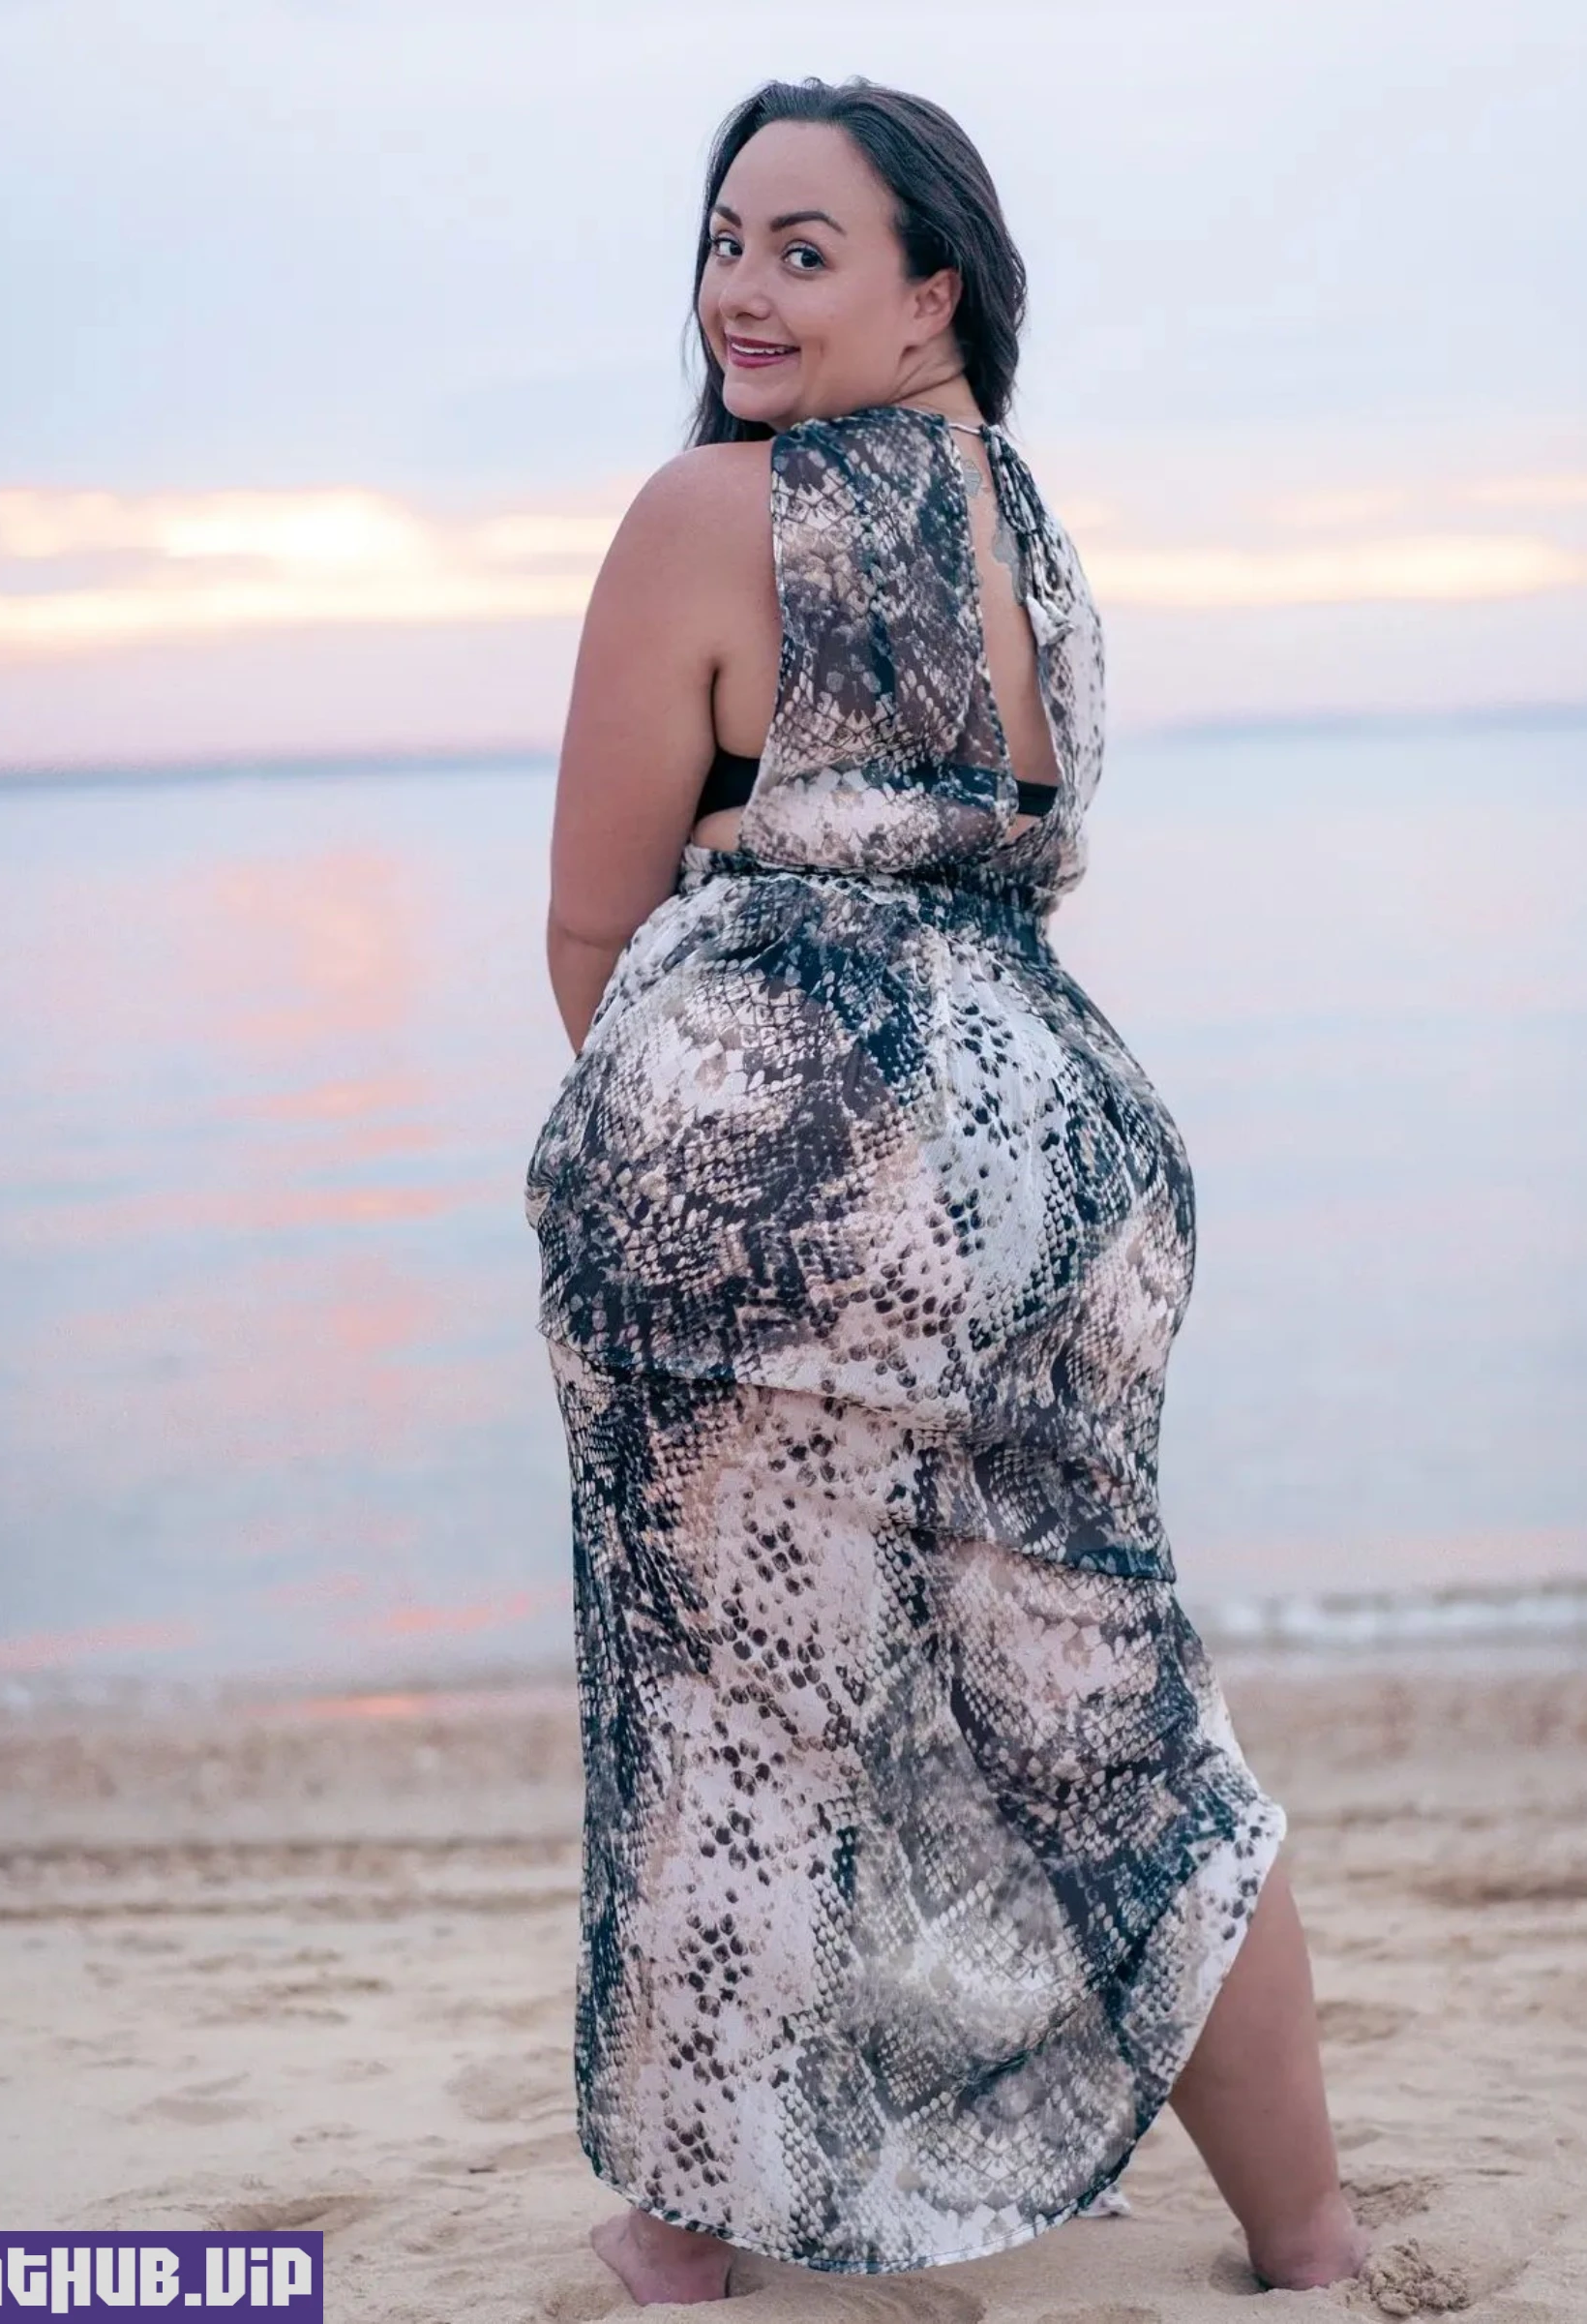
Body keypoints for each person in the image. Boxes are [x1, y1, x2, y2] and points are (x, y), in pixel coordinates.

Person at [524, 73, 1372, 2306]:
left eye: (805, 250)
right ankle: (1308, 2231)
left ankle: (682, 2242)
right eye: (726, 241)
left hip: (796, 1175)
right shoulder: (1038, 538)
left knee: (741, 1710)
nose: (741, 288)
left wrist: (705, 1139)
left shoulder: (713, 511)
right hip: (1058, 1162)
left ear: (935, 294)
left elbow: (590, 924)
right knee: (1116, 1719)